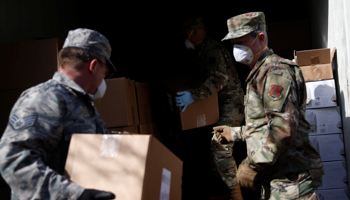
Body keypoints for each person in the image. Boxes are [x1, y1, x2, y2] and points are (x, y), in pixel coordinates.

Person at [213, 12, 324, 199]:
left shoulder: (276, 73)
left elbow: (282, 130)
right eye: (233, 44)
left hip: (291, 183)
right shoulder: (260, 73)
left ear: (261, 38)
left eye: (241, 42)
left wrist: (251, 165)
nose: (236, 49)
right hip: (277, 182)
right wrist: (235, 133)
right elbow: (265, 125)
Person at [0, 28, 117, 200]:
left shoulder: (80, 102)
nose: (103, 80)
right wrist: (75, 195)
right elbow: (13, 160)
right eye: (105, 72)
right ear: (93, 66)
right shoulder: (45, 97)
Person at [175, 17, 245, 200]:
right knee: (213, 154)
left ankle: (236, 193)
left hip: (232, 104)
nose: (186, 39)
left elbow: (220, 79)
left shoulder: (211, 49)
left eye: (187, 34)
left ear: (196, 32)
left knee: (219, 143)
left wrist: (194, 96)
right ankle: (226, 191)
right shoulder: (203, 51)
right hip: (220, 105)